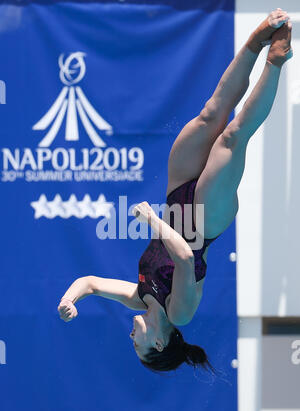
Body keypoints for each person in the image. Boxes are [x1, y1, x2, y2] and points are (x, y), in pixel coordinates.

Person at [58, 9, 292, 372]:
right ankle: (275, 60)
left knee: (210, 115)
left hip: (177, 198)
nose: (130, 339)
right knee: (233, 136)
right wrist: (152, 219)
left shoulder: (138, 297)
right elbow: (184, 258)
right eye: (137, 347)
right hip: (205, 222)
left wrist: (69, 300)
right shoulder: (179, 313)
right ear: (158, 343)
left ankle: (254, 42)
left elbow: (89, 283)